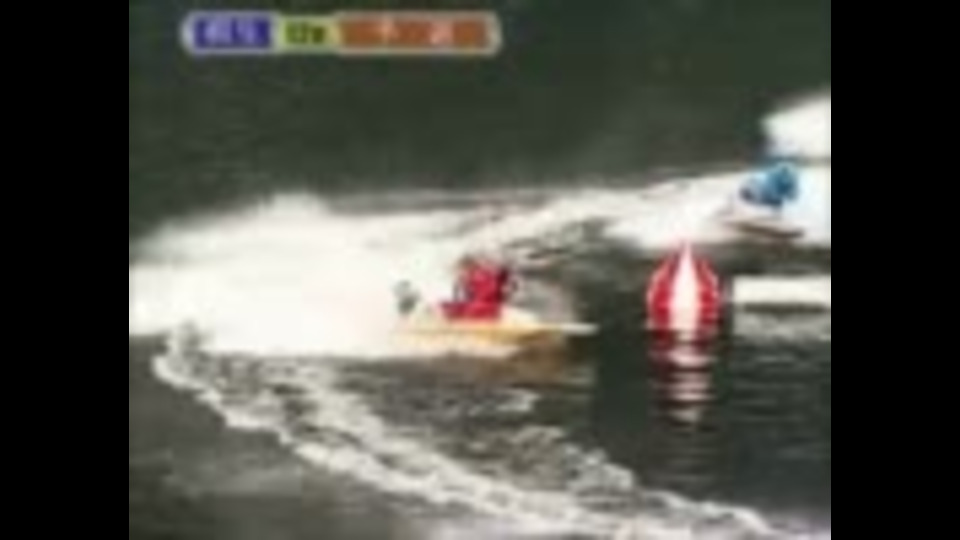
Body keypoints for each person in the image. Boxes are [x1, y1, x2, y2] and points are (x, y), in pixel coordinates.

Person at [442, 253, 517, 321]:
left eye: (460, 271)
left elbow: (486, 303)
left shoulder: (480, 278)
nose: (458, 275)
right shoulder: (473, 279)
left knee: (449, 308)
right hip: (487, 309)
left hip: (488, 311)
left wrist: (456, 311)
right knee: (446, 306)